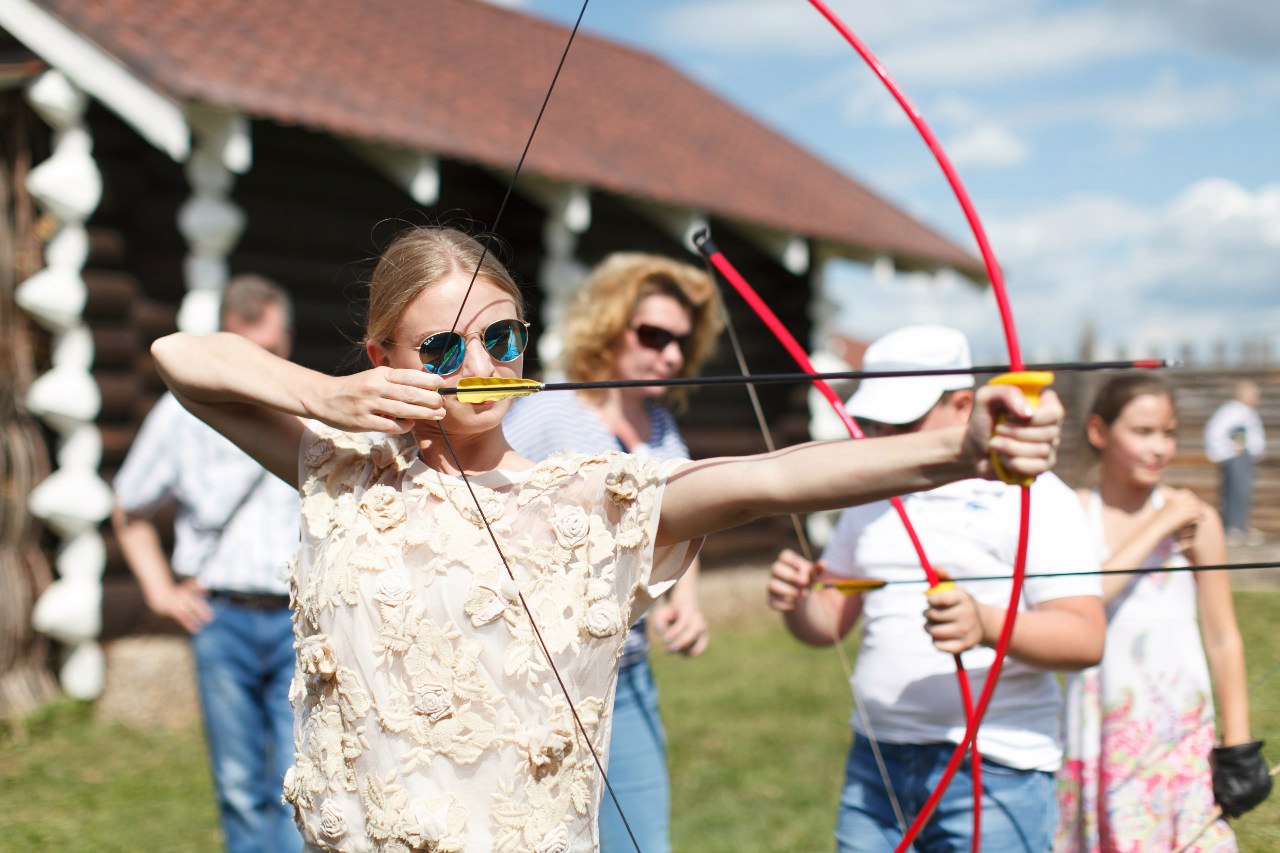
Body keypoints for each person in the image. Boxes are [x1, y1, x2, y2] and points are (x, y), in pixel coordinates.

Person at [148, 226, 1064, 853]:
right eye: (441, 351)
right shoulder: (344, 469)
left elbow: (774, 478)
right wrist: (325, 393)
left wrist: (963, 448)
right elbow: (179, 359)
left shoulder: (589, 497)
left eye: (502, 339)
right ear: (384, 357)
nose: (481, 367)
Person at [766, 325, 1105, 853]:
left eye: (901, 422)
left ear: (965, 405)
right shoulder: (868, 494)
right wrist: (796, 602)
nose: (881, 440)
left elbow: (1085, 638)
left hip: (995, 770)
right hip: (875, 764)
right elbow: (829, 621)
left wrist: (984, 622)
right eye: (873, 423)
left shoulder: (1035, 495)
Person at [502, 253, 720, 853]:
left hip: (629, 674)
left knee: (641, 841)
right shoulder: (551, 413)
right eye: (653, 335)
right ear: (608, 325)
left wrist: (687, 604)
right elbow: (489, 511)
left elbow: (680, 521)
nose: (670, 355)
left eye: (680, 341)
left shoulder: (660, 431)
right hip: (544, 679)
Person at [112, 274, 302, 853]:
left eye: (271, 351)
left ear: (288, 344)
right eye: (247, 352)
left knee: (304, 783)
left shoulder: (310, 408)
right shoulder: (179, 414)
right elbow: (130, 508)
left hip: (301, 621)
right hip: (222, 619)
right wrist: (159, 590)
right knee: (239, 781)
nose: (261, 365)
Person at [1057, 374, 1271, 852]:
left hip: (1181, 739)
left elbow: (1223, 637)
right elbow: (1084, 599)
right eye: (1143, 432)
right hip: (1101, 734)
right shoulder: (1071, 515)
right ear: (1098, 432)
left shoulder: (1196, 522)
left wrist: (1236, 746)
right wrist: (1159, 525)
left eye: (1169, 433)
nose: (1159, 448)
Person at [1203, 380, 1266, 546]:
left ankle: (1241, 526)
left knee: (1244, 492)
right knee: (1235, 491)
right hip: (1234, 456)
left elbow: (1255, 437)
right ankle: (1232, 528)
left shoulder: (1248, 412)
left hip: (1245, 457)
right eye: (1253, 393)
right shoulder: (1230, 411)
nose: (1256, 396)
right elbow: (1216, 432)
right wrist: (1229, 449)